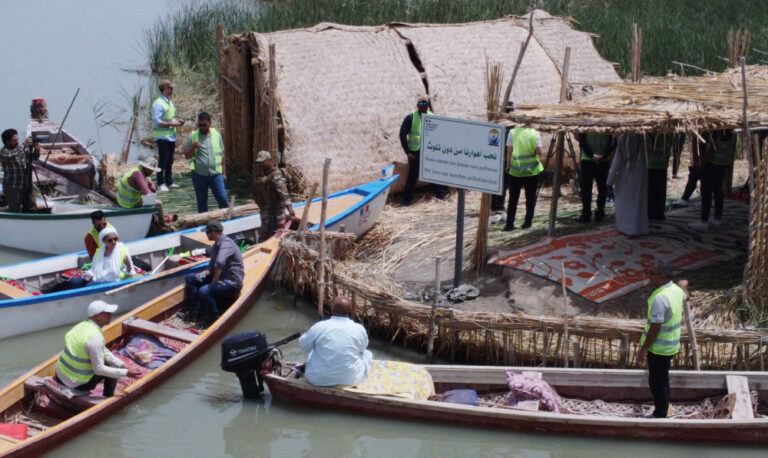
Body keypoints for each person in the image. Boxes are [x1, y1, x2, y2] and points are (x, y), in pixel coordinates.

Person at [55, 300, 141, 397]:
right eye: (108, 313)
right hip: (76, 384)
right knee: (112, 367)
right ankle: (108, 397)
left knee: (110, 363)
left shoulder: (81, 326)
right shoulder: (95, 337)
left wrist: (123, 365)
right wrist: (126, 373)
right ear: (98, 316)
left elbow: (103, 351)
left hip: (59, 375)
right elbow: (99, 370)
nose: (111, 315)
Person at [637, 261, 688, 418]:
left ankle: (660, 414)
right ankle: (662, 408)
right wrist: (684, 286)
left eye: (652, 273)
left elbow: (655, 327)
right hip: (670, 346)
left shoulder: (660, 298)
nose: (649, 277)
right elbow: (686, 296)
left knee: (657, 383)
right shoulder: (676, 290)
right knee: (662, 379)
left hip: (659, 349)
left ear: (662, 276)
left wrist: (644, 349)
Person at [298, 295, 373, 387]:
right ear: (350, 311)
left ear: (332, 310)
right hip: (350, 380)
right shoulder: (359, 329)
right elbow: (363, 348)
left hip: (317, 379)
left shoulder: (320, 326)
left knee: (312, 351)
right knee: (367, 354)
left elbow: (303, 345)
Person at [181, 220, 244, 324]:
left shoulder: (227, 244)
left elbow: (220, 262)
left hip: (231, 282)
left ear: (214, 233)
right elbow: (211, 266)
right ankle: (194, 314)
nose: (206, 235)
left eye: (207, 232)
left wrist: (215, 279)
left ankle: (214, 318)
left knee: (204, 290)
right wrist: (204, 273)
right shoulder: (215, 246)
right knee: (191, 278)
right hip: (219, 277)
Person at [399, 96, 447, 206]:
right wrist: (408, 152)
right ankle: (406, 201)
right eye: (421, 104)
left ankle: (441, 195)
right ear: (417, 105)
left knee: (433, 172)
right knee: (413, 175)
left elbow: (439, 134)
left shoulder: (432, 117)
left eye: (425, 104)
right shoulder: (411, 118)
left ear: (428, 106)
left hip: (429, 151)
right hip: (415, 152)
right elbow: (402, 134)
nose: (423, 106)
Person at [689, 130, 736, 230]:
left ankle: (704, 220)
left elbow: (712, 148)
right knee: (718, 191)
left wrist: (702, 162)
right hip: (723, 164)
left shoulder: (719, 132)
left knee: (706, 192)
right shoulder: (732, 133)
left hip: (712, 164)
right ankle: (717, 218)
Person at [184, 112, 229, 213]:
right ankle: (204, 221)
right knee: (202, 203)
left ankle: (227, 220)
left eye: (204, 125)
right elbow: (187, 156)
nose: (202, 127)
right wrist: (193, 147)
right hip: (199, 175)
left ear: (210, 122)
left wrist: (224, 173)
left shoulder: (216, 135)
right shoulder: (193, 136)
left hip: (216, 175)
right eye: (200, 125)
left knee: (223, 200)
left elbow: (222, 154)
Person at [503, 124, 544, 231]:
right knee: (530, 199)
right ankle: (527, 223)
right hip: (532, 172)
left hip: (516, 171)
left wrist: (508, 165)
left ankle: (509, 224)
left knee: (513, 199)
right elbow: (539, 152)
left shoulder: (512, 132)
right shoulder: (535, 133)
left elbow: (509, 151)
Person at [607, 134, 649, 236]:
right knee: (638, 200)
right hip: (639, 173)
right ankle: (638, 227)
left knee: (624, 200)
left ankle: (627, 227)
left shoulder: (623, 138)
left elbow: (617, 160)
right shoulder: (643, 137)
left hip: (626, 174)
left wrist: (609, 181)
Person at [70, 227, 134, 288]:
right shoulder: (99, 252)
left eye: (115, 239)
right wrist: (88, 275)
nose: (113, 242)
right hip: (97, 277)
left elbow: (131, 272)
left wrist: (128, 266)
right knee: (73, 281)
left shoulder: (123, 251)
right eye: (110, 240)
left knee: (89, 286)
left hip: (112, 280)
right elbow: (93, 269)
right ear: (104, 241)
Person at [252, 150, 294, 240]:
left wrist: (291, 212)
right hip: (265, 211)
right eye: (259, 163)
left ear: (270, 160)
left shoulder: (276, 175)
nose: (261, 165)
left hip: (275, 213)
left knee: (274, 237)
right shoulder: (263, 174)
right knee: (265, 236)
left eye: (262, 162)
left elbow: (285, 195)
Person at [151, 79, 184, 192]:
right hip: (162, 137)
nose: (172, 90)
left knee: (170, 160)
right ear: (165, 88)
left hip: (171, 136)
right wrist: (173, 124)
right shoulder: (158, 103)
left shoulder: (169, 102)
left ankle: (169, 182)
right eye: (171, 88)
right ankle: (160, 183)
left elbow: (170, 118)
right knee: (163, 160)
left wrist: (177, 120)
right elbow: (157, 122)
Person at [576, 132, 616, 223]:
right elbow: (612, 143)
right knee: (602, 188)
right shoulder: (607, 126)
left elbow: (582, 141)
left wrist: (592, 156)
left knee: (586, 189)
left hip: (587, 159)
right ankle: (600, 214)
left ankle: (586, 215)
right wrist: (603, 156)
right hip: (603, 160)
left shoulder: (585, 126)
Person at [0, 129, 41, 213]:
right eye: (14, 140)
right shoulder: (3, 152)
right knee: (15, 210)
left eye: (17, 139)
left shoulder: (19, 148)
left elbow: (33, 157)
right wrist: (24, 145)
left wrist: (37, 149)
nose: (17, 142)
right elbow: (11, 155)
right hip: (13, 187)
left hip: (25, 185)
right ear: (7, 142)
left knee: (31, 208)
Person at [646, 133, 677, 221]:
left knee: (651, 192)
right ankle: (659, 213)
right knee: (660, 191)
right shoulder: (669, 133)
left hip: (651, 165)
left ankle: (651, 213)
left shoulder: (651, 132)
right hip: (662, 164)